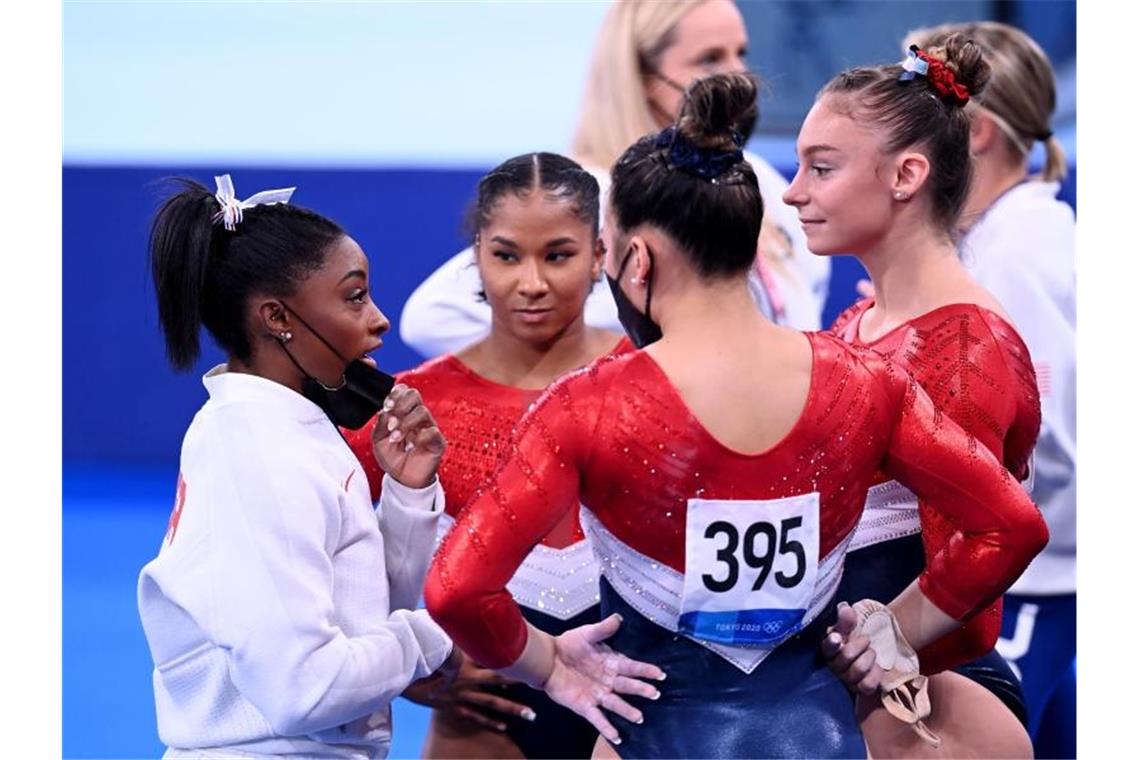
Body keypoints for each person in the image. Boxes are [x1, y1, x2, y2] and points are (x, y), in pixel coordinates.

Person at [424, 73, 1047, 758]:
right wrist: (889, 631)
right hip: (820, 729)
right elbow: (1011, 528)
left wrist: (549, 665)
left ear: (635, 259)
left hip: (661, 733)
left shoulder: (585, 406)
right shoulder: (863, 377)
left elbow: (456, 590)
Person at [136, 174, 464, 759]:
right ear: (277, 317)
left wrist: (407, 497)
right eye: (354, 296)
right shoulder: (260, 451)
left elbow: (360, 615)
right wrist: (442, 637)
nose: (380, 319)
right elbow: (305, 689)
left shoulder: (286, 426)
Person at [780, 34, 1043, 758]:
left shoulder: (961, 348)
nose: (793, 191)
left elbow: (983, 569)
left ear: (906, 175)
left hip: (929, 697)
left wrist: (884, 642)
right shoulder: (863, 320)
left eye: (820, 168)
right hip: (863, 686)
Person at [343, 153, 627, 759]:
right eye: (506, 256)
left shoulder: (652, 380)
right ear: (476, 256)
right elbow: (315, 546)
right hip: (483, 722)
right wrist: (404, 668)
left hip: (633, 707)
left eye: (558, 255)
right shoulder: (419, 404)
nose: (531, 283)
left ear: (601, 255)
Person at [398, 0, 830, 359]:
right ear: (641, 79)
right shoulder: (595, 195)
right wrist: (601, 368)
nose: (737, 75)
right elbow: (433, 317)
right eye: (710, 58)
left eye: (741, 53)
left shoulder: (763, 181)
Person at [904, 22, 1076, 759]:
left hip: (1031, 591)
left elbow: (1057, 451)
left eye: (906, 110)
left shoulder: (1013, 261)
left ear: (969, 132)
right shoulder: (1002, 243)